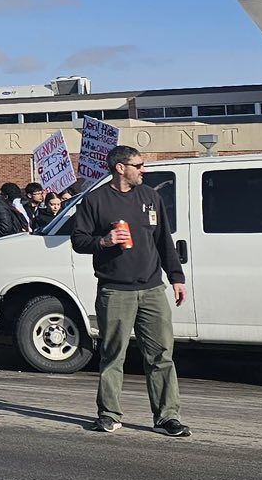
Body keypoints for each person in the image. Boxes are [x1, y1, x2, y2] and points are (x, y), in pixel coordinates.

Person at [70, 145, 189, 438]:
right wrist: (104, 241)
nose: (143, 170)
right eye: (139, 165)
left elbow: (164, 240)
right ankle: (109, 414)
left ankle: (167, 417)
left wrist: (176, 277)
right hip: (115, 290)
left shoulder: (150, 197)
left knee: (161, 354)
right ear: (120, 167)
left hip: (152, 288)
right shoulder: (96, 201)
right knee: (113, 355)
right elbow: (78, 240)